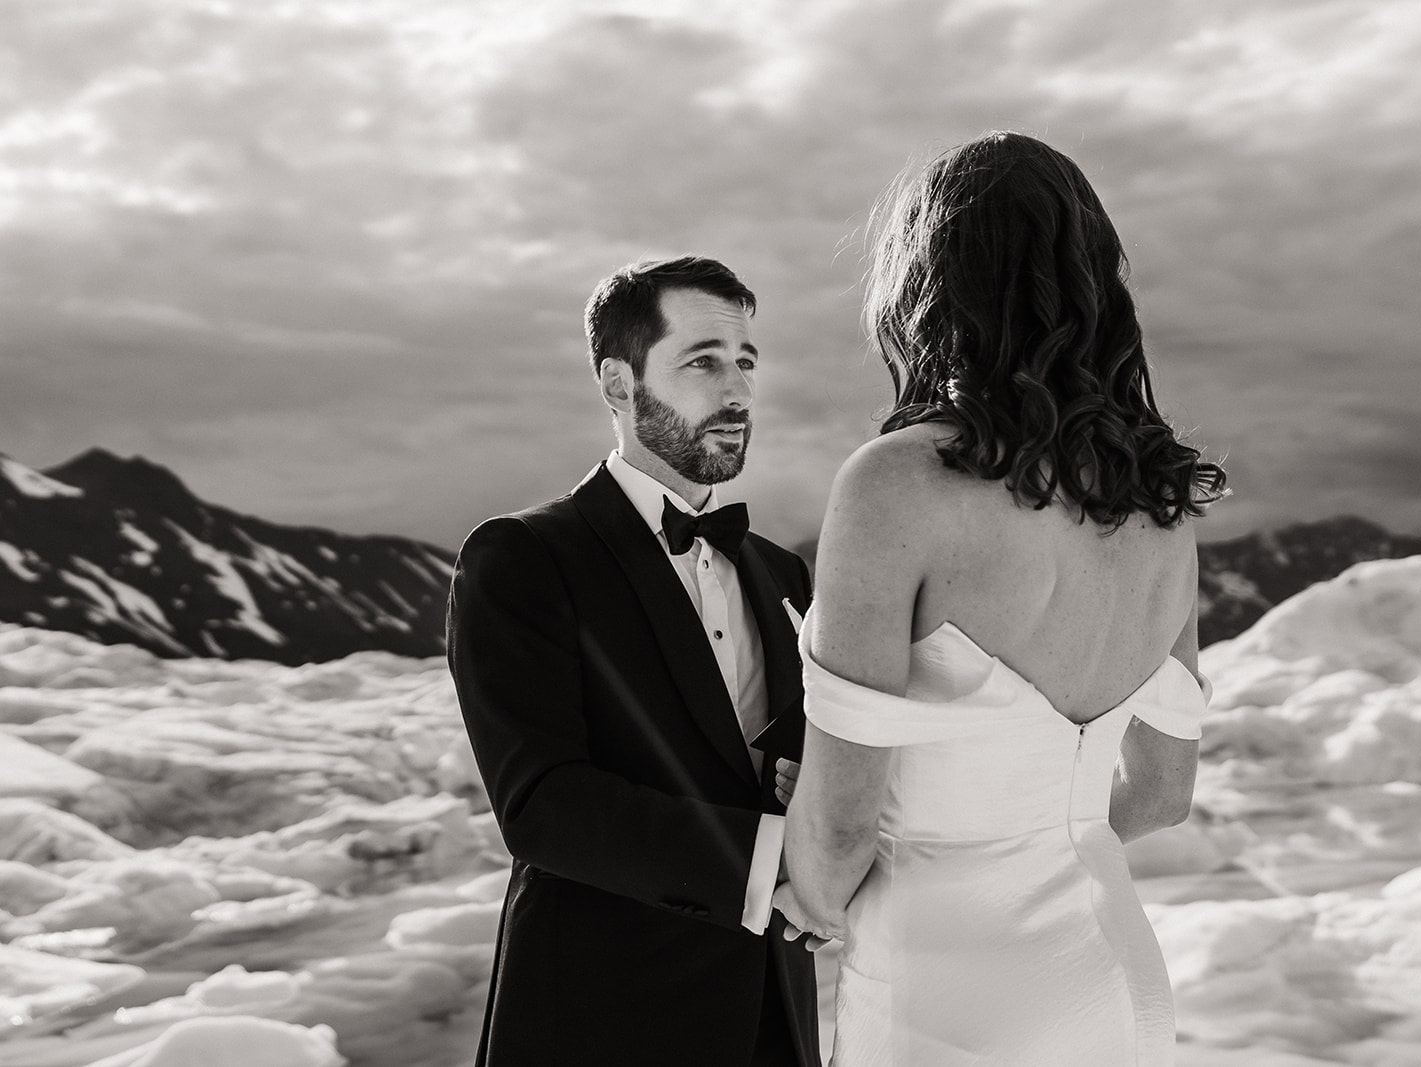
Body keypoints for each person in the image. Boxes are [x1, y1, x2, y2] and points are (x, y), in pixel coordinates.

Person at [771, 132, 1228, 1064]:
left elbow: (843, 826)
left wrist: (809, 891)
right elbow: (1165, 793)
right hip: (1115, 982)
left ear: (924, 284)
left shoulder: (896, 485)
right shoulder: (1160, 510)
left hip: (948, 995)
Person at [447, 256, 821, 1066]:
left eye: (746, 362)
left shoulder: (780, 572)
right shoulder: (521, 556)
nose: (738, 392)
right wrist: (771, 860)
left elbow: (793, 759)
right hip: (599, 1018)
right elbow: (543, 803)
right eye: (704, 362)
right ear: (619, 385)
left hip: (774, 1015)